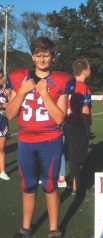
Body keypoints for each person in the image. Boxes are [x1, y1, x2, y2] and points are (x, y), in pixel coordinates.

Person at [6, 37, 75, 238]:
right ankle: (25, 227)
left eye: (46, 55)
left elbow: (60, 117)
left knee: (50, 184)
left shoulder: (62, 80)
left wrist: (44, 94)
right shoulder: (19, 78)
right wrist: (21, 93)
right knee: (27, 184)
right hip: (26, 141)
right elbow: (9, 114)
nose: (42, 59)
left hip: (50, 140)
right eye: (38, 55)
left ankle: (54, 228)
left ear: (52, 57)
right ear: (32, 56)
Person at [64, 58, 92, 196]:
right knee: (77, 157)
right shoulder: (83, 87)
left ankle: (70, 182)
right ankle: (76, 186)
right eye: (89, 69)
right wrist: (87, 127)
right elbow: (85, 109)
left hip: (67, 122)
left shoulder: (68, 83)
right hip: (78, 123)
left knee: (70, 154)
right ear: (85, 71)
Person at [0, 70, 11, 180]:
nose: (4, 79)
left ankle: (2, 171)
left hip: (2, 122)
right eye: (2, 77)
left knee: (1, 147)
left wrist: (8, 104)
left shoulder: (6, 92)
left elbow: (12, 105)